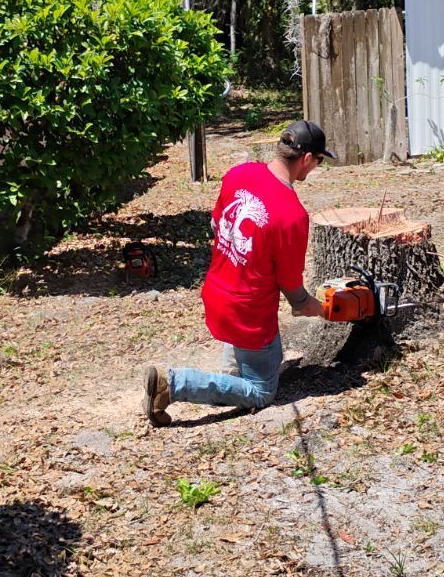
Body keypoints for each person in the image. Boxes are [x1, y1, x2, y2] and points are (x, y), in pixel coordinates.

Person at [143, 120, 334, 425]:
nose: (315, 168)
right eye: (319, 161)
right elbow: (294, 293)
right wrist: (326, 310)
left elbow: (216, 224)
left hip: (217, 294)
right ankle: (172, 384)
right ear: (307, 159)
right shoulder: (292, 216)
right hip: (249, 316)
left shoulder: (239, 173)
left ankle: (232, 373)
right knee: (260, 392)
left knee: (245, 359)